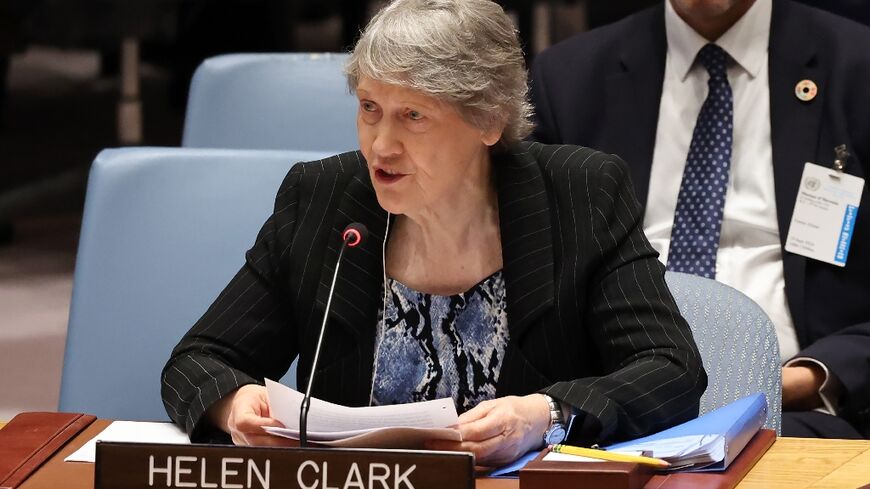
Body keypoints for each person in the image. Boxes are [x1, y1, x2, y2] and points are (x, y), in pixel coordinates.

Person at [162, 0, 707, 466]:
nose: (381, 145)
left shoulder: (581, 195)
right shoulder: (324, 199)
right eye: (370, 109)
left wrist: (547, 414)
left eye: (413, 117)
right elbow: (198, 361)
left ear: (489, 120)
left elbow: (671, 370)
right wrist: (233, 405)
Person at [529, 0, 870, 438]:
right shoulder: (568, 79)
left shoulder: (856, 67)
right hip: (615, 412)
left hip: (802, 411)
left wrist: (812, 377)